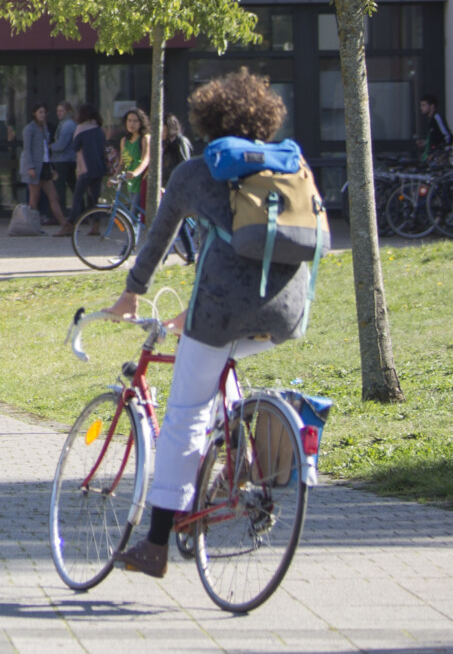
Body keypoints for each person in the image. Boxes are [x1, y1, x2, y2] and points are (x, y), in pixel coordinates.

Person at [109, 69, 318, 579]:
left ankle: (155, 544)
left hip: (222, 309)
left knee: (183, 414)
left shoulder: (198, 172)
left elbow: (158, 239)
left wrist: (131, 293)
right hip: (287, 313)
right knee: (221, 370)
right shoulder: (290, 168)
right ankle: (236, 463)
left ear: (207, 120)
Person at [48, 100, 81, 231]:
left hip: (63, 160)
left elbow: (61, 145)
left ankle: (60, 214)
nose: (58, 114)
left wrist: (50, 146)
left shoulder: (67, 125)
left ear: (67, 111)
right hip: (69, 159)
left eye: (61, 111)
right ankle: (81, 212)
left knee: (60, 188)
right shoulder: (69, 123)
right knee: (74, 186)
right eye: (57, 111)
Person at [73, 104, 110, 219]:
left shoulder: (81, 129)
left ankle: (71, 222)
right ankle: (96, 224)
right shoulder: (99, 130)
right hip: (99, 167)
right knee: (95, 199)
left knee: (77, 197)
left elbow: (75, 147)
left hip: (85, 168)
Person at [20, 104, 55, 225]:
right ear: (34, 113)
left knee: (51, 195)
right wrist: (30, 166)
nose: (43, 115)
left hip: (44, 165)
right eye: (40, 112)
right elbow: (27, 149)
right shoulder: (29, 129)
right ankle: (31, 223)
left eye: (44, 112)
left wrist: (50, 166)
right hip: (34, 166)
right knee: (34, 196)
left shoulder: (44, 128)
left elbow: (45, 148)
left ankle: (62, 223)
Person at [115, 107, 153, 208]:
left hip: (142, 182)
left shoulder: (145, 138)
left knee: (132, 216)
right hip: (130, 184)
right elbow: (124, 163)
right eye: (129, 120)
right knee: (134, 217)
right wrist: (114, 177)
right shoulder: (124, 141)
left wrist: (135, 173)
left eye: (135, 121)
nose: (131, 124)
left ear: (141, 122)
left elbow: (145, 160)